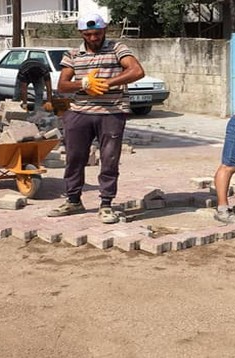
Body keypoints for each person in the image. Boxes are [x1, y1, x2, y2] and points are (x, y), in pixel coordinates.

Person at [46, 13, 145, 224]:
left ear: (105, 30)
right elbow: (62, 85)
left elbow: (136, 71)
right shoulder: (72, 54)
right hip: (80, 112)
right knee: (74, 158)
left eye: (97, 33)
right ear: (81, 33)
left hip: (112, 112)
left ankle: (106, 204)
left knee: (109, 159)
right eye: (88, 34)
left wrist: (107, 83)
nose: (93, 38)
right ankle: (73, 200)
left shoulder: (117, 48)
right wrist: (84, 84)